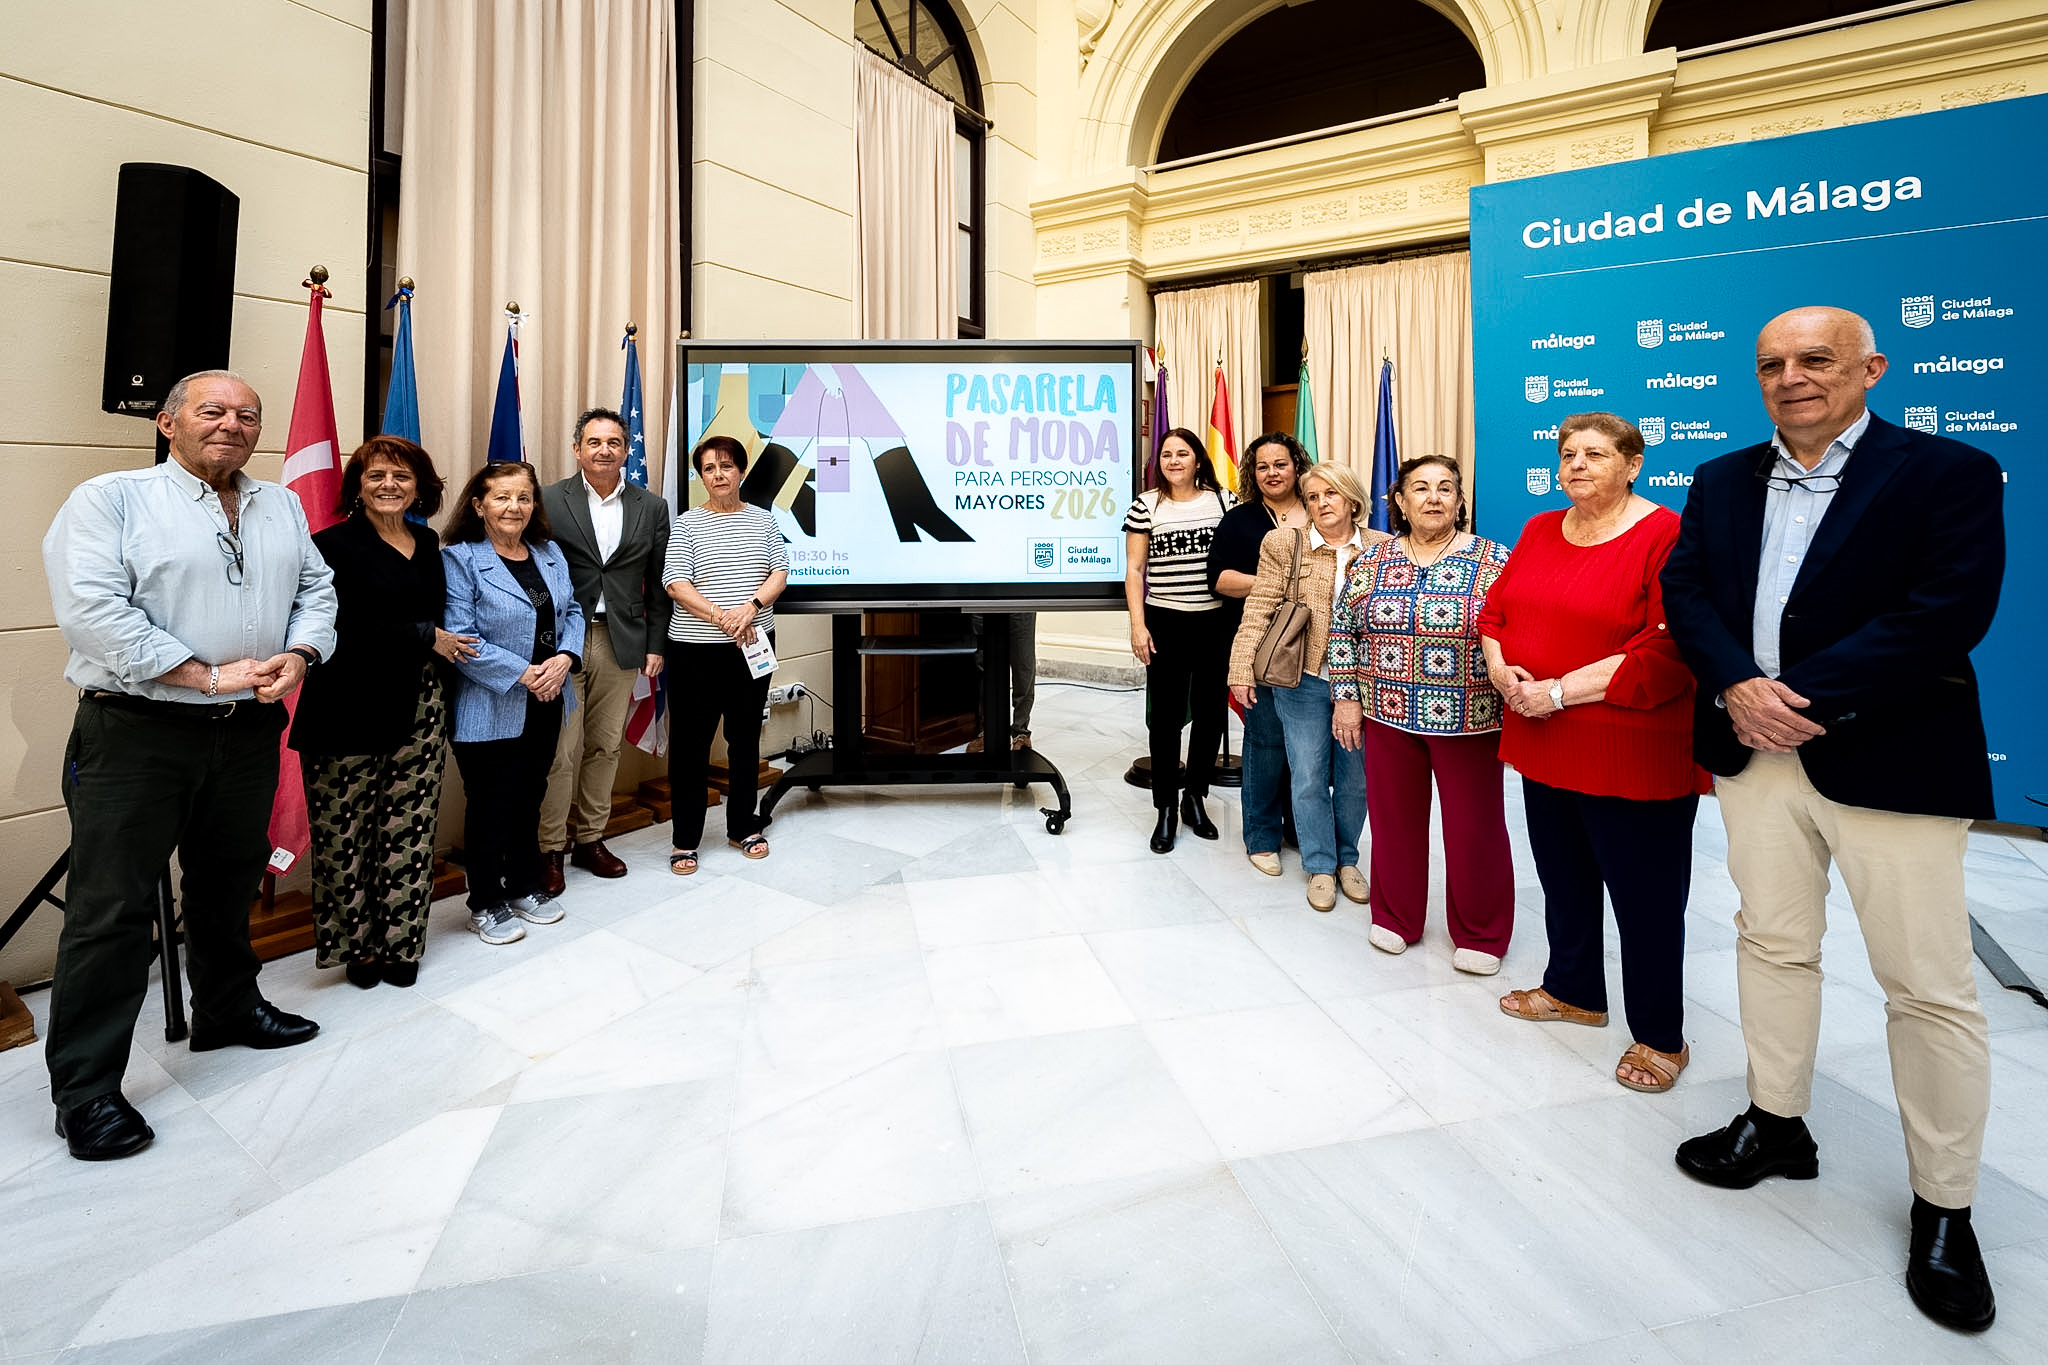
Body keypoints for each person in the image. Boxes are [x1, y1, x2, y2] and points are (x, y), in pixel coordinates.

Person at [1661, 306, 2004, 1332]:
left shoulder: (1945, 471)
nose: (1791, 377)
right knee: (1769, 943)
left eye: (1814, 359)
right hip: (1750, 756)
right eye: (1770, 362)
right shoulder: (1719, 478)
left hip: (1888, 756)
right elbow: (1685, 591)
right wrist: (1733, 685)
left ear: (1869, 368)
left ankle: (1943, 1207)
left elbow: (1946, 608)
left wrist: (1791, 693)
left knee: (1926, 986)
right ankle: (1775, 1125)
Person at [40, 370, 335, 1161]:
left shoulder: (283, 504)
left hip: (246, 731)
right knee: (113, 910)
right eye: (212, 410)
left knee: (228, 882)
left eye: (247, 415)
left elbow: (318, 587)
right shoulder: (111, 499)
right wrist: (201, 674)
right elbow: (95, 612)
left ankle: (228, 1010)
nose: (232, 424)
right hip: (137, 733)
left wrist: (302, 652)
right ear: (168, 422)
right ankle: (88, 1089)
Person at [1478, 413, 1705, 1094]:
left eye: (1596, 453)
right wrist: (1500, 671)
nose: (1576, 463)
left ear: (1633, 464)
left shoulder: (1666, 533)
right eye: (1568, 453)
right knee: (1565, 878)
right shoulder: (1541, 528)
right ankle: (1574, 989)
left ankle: (1662, 1034)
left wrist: (1556, 691)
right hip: (1544, 740)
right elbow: (1495, 612)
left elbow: (1666, 649)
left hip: (1629, 748)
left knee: (1647, 901)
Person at [291, 436, 474, 989]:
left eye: (401, 476)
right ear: (357, 487)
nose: (389, 485)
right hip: (346, 706)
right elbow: (330, 627)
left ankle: (400, 942)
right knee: (345, 834)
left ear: (420, 486)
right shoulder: (329, 546)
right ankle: (356, 948)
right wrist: (425, 635)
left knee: (409, 829)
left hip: (418, 706)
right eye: (376, 476)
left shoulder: (427, 542)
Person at [1330, 455, 1514, 972]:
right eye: (1421, 488)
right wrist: (1346, 698)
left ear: (1460, 501)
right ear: (1401, 502)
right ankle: (1395, 917)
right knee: (1393, 824)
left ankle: (1481, 933)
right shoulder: (1372, 562)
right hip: (1385, 714)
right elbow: (1343, 631)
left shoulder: (1494, 559)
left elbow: (1513, 632)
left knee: (1475, 829)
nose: (1433, 497)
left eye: (1445, 488)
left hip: (1471, 719)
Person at [1228, 462, 1387, 910]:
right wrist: (1241, 666)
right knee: (1308, 775)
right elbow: (1260, 607)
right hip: (1304, 679)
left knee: (1356, 779)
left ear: (1352, 500)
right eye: (1313, 497)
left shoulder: (1383, 548)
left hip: (1363, 685)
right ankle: (1319, 864)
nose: (1321, 504)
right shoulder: (1285, 543)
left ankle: (1347, 860)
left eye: (1331, 495)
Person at [443, 462, 584, 947]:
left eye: (523, 498)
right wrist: (525, 674)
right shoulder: (459, 559)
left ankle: (524, 885)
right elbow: (462, 638)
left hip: (549, 697)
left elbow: (575, 611)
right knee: (490, 805)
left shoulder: (548, 553)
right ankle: (484, 902)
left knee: (529, 796)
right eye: (502, 498)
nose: (514, 507)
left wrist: (565, 658)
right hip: (491, 702)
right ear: (479, 505)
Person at [536, 407, 672, 894]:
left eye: (613, 442)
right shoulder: (548, 499)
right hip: (561, 645)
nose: (604, 450)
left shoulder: (651, 507)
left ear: (626, 450)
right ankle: (550, 847)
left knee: (605, 745)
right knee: (560, 751)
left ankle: (591, 838)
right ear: (578, 449)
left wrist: (657, 643)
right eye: (594, 442)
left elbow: (657, 582)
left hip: (622, 640)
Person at [664, 434, 788, 873]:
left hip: (754, 646)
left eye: (726, 466)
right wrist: (722, 616)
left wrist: (750, 609)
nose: (718, 474)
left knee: (744, 740)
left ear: (741, 471)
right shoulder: (686, 524)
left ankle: (742, 826)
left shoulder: (763, 521)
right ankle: (685, 839)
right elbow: (676, 584)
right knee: (691, 747)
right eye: (709, 468)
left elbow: (779, 573)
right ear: (701, 477)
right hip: (695, 652)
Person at [1124, 427, 1235, 853]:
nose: (1173, 461)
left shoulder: (1224, 501)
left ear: (1197, 460)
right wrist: (1138, 624)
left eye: (1182, 453)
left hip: (1214, 623)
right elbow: (1135, 571)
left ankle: (1195, 799)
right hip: (1165, 622)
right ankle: (1166, 808)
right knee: (1165, 720)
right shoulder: (1146, 505)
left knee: (1210, 717)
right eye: (1166, 454)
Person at [1208, 432, 1311, 876]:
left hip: (1314, 649)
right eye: (1262, 466)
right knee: (1266, 743)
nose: (1272, 473)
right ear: (1253, 473)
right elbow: (1220, 579)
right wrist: (1276, 584)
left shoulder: (1320, 510)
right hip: (1261, 647)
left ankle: (1299, 828)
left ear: (1297, 465)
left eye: (1281, 464)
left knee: (1307, 749)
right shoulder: (1240, 520)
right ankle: (1262, 835)